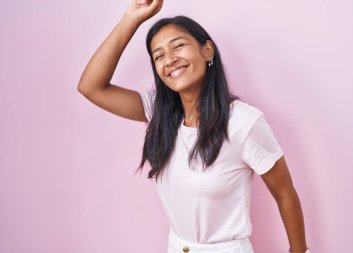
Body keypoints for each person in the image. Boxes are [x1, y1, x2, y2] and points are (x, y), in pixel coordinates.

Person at [77, 0, 311, 252]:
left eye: (178, 46)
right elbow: (91, 86)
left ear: (207, 51)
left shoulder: (244, 122)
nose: (170, 59)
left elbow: (285, 194)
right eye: (159, 56)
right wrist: (131, 19)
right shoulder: (160, 112)